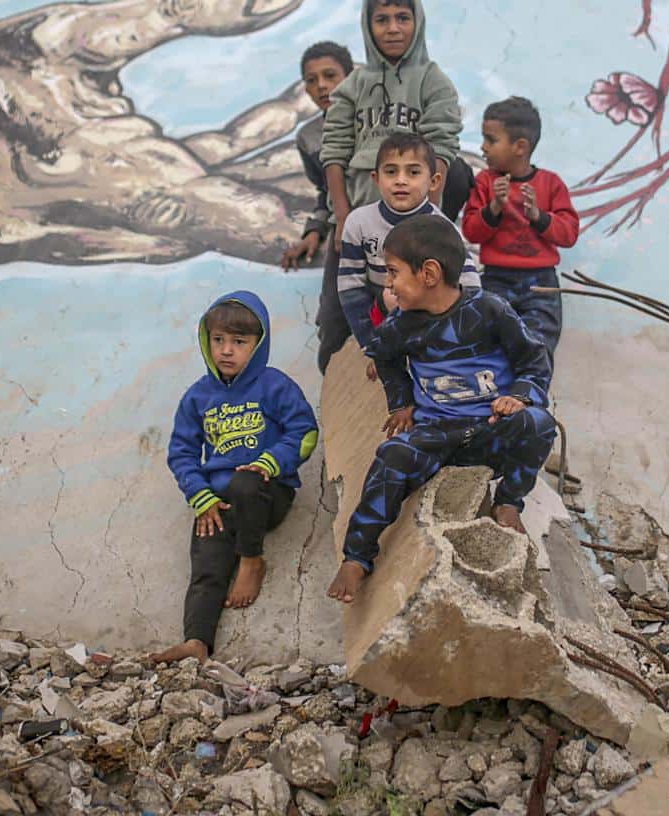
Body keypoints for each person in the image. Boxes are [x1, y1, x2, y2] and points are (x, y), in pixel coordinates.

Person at [327, 216, 555, 603]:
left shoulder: (489, 310)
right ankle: (357, 556)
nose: (388, 284)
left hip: (490, 428)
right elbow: (383, 358)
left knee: (538, 423)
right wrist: (402, 403)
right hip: (437, 435)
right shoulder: (401, 327)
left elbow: (534, 360)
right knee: (391, 455)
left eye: (394, 272)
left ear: (429, 273)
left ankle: (508, 503)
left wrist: (519, 396)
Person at [153, 291, 319, 664]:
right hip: (220, 501)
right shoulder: (197, 397)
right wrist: (201, 495)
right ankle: (197, 641)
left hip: (265, 492)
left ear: (258, 345)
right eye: (218, 340)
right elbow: (181, 452)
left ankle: (251, 560)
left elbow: (305, 431)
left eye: (239, 342)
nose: (227, 350)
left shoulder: (274, 386)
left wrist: (270, 462)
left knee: (244, 483)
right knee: (206, 560)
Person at [318, 0, 468, 226]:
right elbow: (334, 153)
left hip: (414, 219)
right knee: (342, 266)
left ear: (417, 22)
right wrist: (343, 219)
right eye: (382, 20)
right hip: (358, 218)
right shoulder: (352, 86)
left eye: (403, 18)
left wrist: (426, 217)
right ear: (368, 26)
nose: (393, 29)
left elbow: (440, 148)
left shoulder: (433, 81)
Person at [335, 131, 481, 365]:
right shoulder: (359, 222)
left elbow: (470, 286)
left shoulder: (441, 228)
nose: (400, 180)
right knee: (389, 296)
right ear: (376, 178)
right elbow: (350, 287)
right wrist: (371, 344)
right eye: (391, 172)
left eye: (413, 172)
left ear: (434, 182)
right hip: (380, 319)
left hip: (432, 323)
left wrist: (454, 338)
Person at [461, 97, 580, 359]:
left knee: (538, 348)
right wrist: (493, 208)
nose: (483, 147)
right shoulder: (485, 182)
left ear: (520, 146)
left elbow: (569, 233)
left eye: (491, 140)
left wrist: (539, 216)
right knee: (488, 346)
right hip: (496, 279)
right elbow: (471, 231)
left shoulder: (551, 183)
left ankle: (529, 398)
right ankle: (496, 398)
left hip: (541, 284)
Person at [279, 40, 353, 273]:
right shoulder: (308, 138)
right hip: (344, 231)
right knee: (332, 308)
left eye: (330, 75)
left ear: (350, 79)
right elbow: (326, 191)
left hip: (387, 223)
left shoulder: (375, 122)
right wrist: (314, 231)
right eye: (311, 80)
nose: (322, 85)